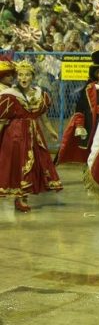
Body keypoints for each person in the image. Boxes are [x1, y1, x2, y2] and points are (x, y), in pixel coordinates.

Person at [0, 60, 62, 212]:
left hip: (34, 134)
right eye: (20, 75)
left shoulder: (41, 94)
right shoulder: (9, 95)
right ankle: (20, 198)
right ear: (16, 77)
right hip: (15, 135)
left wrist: (50, 130)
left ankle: (23, 196)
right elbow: (1, 119)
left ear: (32, 77)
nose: (23, 78)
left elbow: (43, 117)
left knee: (33, 164)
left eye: (27, 75)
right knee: (18, 165)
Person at [57, 50, 99, 164]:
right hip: (93, 124)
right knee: (93, 148)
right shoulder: (89, 89)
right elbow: (80, 108)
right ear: (96, 74)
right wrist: (79, 126)